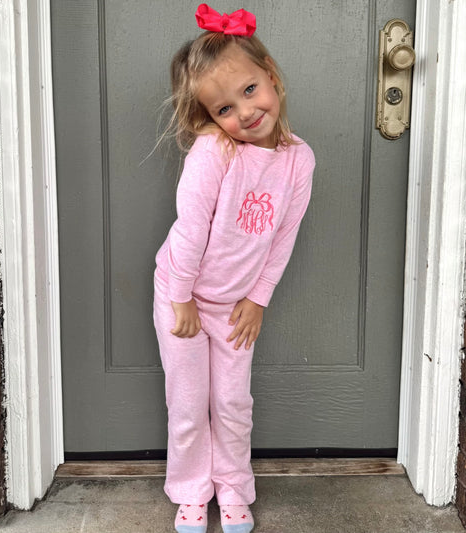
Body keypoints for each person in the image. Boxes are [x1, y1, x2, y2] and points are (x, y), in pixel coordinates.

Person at [153, 4, 315, 532]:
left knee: (231, 402)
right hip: (184, 296)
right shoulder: (213, 152)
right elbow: (190, 228)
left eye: (249, 91)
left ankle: (233, 486)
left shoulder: (298, 160)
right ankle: (193, 490)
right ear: (210, 117)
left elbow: (282, 237)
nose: (244, 113)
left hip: (235, 307)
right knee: (189, 402)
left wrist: (258, 298)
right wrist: (181, 298)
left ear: (270, 75)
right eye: (224, 108)